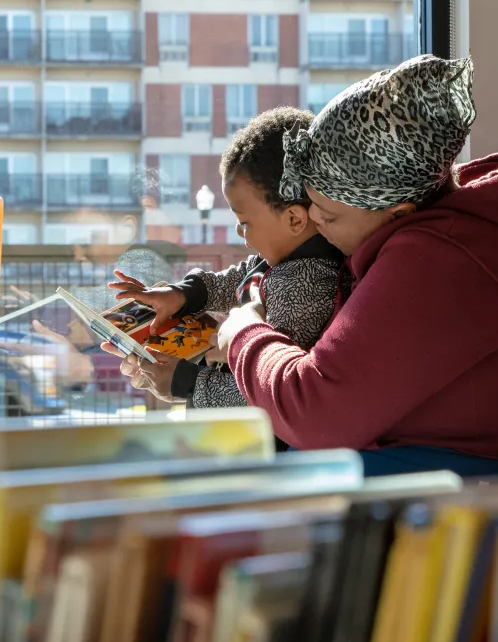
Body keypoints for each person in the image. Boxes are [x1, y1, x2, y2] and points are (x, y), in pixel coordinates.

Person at [130, 55, 498, 478]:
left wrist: (242, 331)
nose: (315, 223)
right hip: (482, 461)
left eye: (330, 215)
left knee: (253, 486)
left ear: (396, 210)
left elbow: (314, 414)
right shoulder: (441, 239)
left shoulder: (440, 258)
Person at [108, 107, 344, 424]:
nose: (238, 231)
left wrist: (186, 384)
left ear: (294, 219)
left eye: (244, 221)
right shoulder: (281, 259)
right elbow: (237, 280)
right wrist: (181, 295)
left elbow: (268, 396)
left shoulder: (304, 289)